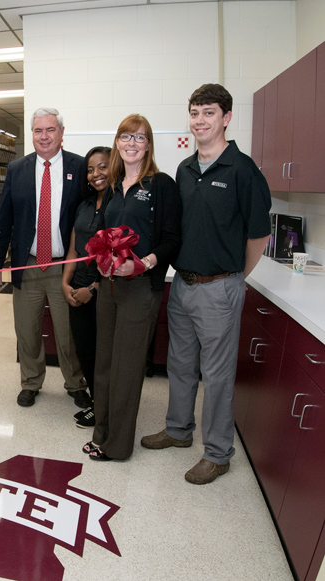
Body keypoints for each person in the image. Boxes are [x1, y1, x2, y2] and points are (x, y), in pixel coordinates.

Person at [141, 84, 271, 484]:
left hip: (219, 287)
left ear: (226, 118)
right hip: (182, 284)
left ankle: (217, 453)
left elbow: (258, 237)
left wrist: (232, 279)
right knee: (180, 364)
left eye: (209, 113)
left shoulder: (243, 170)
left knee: (216, 375)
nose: (200, 120)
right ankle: (179, 431)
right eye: (195, 113)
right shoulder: (184, 169)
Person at [83, 114, 181, 462]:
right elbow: (101, 234)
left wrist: (142, 263)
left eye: (139, 138)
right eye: (126, 137)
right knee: (105, 364)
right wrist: (101, 256)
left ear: (149, 145)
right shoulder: (111, 186)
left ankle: (118, 445)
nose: (132, 144)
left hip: (140, 288)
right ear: (117, 143)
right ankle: (101, 435)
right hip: (110, 287)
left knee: (127, 368)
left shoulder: (161, 185)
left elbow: (171, 240)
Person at [0, 108, 90, 411]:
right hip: (28, 264)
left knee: (67, 332)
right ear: (31, 134)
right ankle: (31, 382)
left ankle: (75, 383)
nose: (43, 136)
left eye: (49, 130)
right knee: (27, 330)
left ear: (61, 133)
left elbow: (88, 217)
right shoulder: (18, 168)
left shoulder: (80, 166)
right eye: (37, 131)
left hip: (65, 268)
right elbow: (4, 219)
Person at [61, 146, 111, 429]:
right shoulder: (84, 205)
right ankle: (96, 402)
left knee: (104, 353)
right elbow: (73, 248)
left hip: (102, 291)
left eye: (102, 167)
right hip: (76, 288)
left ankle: (106, 406)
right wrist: (65, 283)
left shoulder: (118, 203)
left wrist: (92, 289)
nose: (96, 175)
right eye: (91, 170)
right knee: (85, 351)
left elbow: (120, 256)